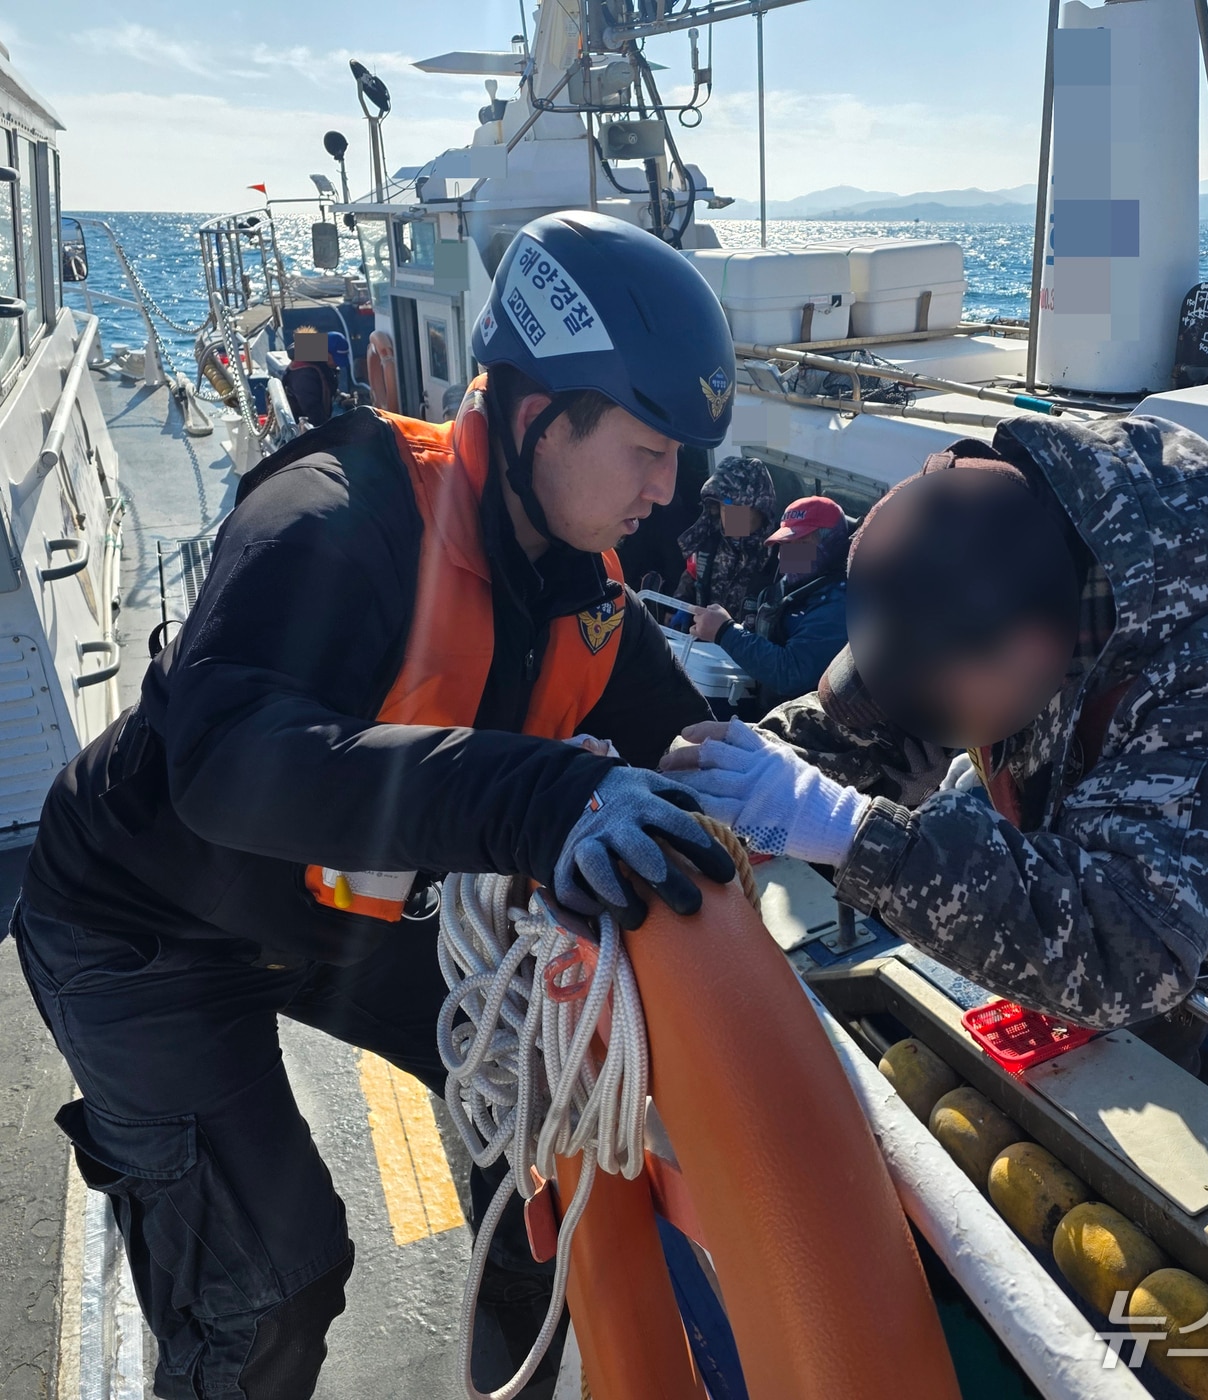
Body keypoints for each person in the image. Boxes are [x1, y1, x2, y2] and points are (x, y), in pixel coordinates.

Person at [7, 209, 739, 1400]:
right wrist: (545, 794)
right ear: (539, 414)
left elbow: (675, 739)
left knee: (534, 1150)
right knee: (271, 1279)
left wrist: (790, 780)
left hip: (340, 921)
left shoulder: (579, 577)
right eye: (649, 448)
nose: (667, 490)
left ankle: (520, 1368)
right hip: (145, 925)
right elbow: (233, 761)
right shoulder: (329, 520)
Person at [664, 416, 1208, 1261]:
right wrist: (709, 778)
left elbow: (1121, 952)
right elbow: (857, 718)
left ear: (1036, 651)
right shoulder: (991, 560)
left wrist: (853, 834)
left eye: (953, 708)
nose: (939, 728)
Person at [690, 495, 850, 711]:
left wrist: (725, 632)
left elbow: (792, 674)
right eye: (785, 543)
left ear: (832, 542)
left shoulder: (839, 603)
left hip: (802, 727)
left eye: (802, 542)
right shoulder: (800, 581)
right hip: (765, 704)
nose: (791, 553)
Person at [673, 455, 778, 619]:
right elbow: (691, 578)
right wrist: (680, 607)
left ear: (761, 508)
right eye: (725, 506)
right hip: (701, 641)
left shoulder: (784, 550)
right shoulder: (707, 542)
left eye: (739, 507)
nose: (730, 516)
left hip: (753, 643)